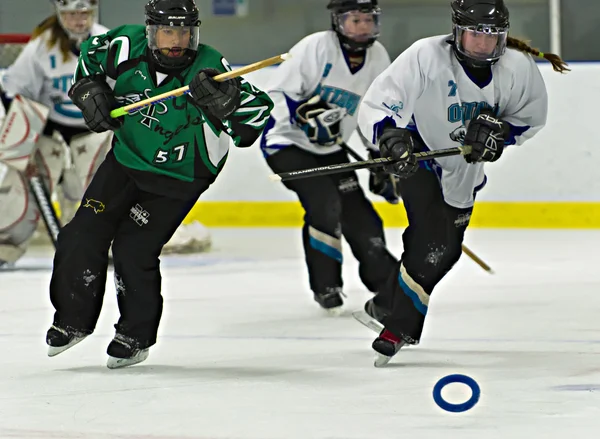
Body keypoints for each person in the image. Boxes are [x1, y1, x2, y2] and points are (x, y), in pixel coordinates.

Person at [45, 0, 274, 369]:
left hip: (181, 176)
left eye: (185, 31)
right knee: (81, 233)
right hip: (127, 161)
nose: (177, 41)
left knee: (134, 250)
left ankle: (135, 335)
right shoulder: (123, 46)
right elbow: (89, 61)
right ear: (151, 31)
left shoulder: (210, 67)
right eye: (169, 31)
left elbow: (255, 119)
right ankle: (72, 320)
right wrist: (88, 90)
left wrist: (227, 105)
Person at [355, 0, 569, 366]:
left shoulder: (516, 68)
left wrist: (501, 135)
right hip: (420, 153)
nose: (482, 44)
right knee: (430, 240)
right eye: (474, 35)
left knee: (447, 249)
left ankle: (384, 302)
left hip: (466, 167)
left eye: (491, 36)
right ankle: (397, 328)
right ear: (456, 32)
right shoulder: (427, 55)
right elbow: (383, 100)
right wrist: (390, 137)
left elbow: (529, 118)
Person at [260, 0, 399, 315]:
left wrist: (379, 158)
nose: (363, 27)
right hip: (285, 145)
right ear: (338, 21)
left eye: (369, 20)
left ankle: (386, 281)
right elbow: (279, 93)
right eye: (355, 20)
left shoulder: (378, 57)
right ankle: (326, 285)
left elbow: (372, 110)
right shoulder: (315, 47)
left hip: (330, 148)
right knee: (324, 201)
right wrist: (305, 115)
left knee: (361, 215)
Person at [0, 0, 109, 266]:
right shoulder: (42, 46)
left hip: (95, 131)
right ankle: (4, 248)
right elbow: (13, 91)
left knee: (101, 188)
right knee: (20, 189)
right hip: (49, 131)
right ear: (60, 14)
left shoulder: (107, 42)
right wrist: (22, 143)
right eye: (71, 13)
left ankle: (98, 247)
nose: (78, 20)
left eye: (83, 13)